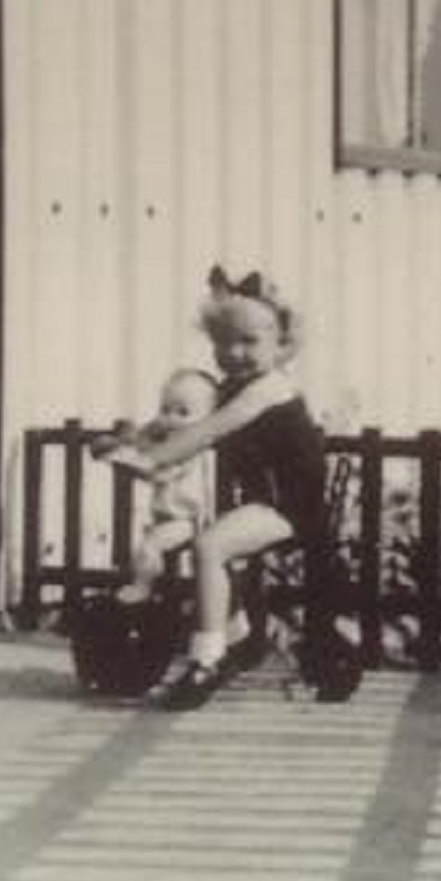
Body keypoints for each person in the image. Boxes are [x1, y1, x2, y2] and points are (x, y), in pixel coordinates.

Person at [107, 266, 329, 709]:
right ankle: (241, 635)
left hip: (291, 504)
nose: (235, 353)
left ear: (281, 345)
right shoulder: (230, 386)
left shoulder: (268, 389)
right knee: (204, 539)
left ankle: (206, 659)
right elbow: (177, 422)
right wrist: (130, 441)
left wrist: (152, 461)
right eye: (225, 342)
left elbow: (208, 429)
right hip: (256, 501)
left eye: (249, 342)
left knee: (210, 546)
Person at [96, 366, 218, 605]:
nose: (170, 418)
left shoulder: (192, 449)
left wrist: (128, 462)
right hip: (168, 516)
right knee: (153, 548)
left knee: (150, 547)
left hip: (190, 519)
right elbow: (143, 447)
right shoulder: (169, 442)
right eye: (165, 409)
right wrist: (123, 446)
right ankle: (169, 597)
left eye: (183, 412)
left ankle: (142, 587)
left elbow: (159, 474)